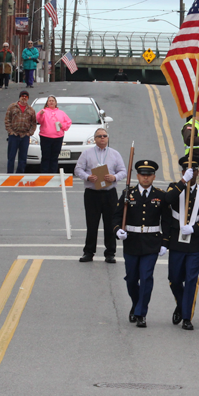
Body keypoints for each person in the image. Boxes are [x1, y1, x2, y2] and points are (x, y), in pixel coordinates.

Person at [113, 160, 169, 327]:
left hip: (151, 242)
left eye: (149, 175)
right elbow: (115, 217)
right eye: (143, 175)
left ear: (154, 177)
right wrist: (117, 230)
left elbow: (166, 221)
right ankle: (136, 303)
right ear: (137, 176)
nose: (146, 178)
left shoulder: (161, 195)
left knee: (146, 277)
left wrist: (165, 242)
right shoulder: (127, 194)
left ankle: (141, 312)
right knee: (131, 279)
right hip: (131, 242)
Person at [165, 156, 199, 330]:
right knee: (174, 279)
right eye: (186, 170)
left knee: (191, 279)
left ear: (198, 172)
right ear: (183, 172)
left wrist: (195, 229)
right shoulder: (174, 188)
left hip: (195, 242)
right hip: (176, 240)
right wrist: (182, 182)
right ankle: (181, 304)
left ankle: (187, 316)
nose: (190, 173)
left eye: (193, 171)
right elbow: (167, 200)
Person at [75, 128, 127, 263]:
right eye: (99, 136)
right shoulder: (87, 153)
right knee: (92, 224)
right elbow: (78, 169)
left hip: (109, 193)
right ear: (95, 139)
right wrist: (87, 177)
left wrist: (114, 177)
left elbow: (123, 171)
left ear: (108, 138)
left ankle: (110, 253)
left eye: (104, 136)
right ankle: (88, 252)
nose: (102, 138)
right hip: (92, 193)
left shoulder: (115, 154)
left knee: (110, 224)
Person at [36, 95, 72, 173]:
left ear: (56, 103)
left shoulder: (61, 113)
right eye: (50, 101)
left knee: (54, 157)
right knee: (45, 157)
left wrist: (62, 125)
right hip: (45, 137)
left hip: (58, 138)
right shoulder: (43, 111)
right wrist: (41, 114)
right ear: (47, 103)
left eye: (53, 101)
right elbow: (39, 120)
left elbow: (68, 122)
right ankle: (44, 174)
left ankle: (53, 173)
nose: (51, 102)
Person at [4, 90, 37, 173]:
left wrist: (29, 133)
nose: (24, 98)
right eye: (23, 96)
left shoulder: (31, 110)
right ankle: (10, 175)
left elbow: (33, 123)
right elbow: (7, 120)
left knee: (23, 158)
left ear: (28, 98)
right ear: (19, 97)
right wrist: (10, 131)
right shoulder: (12, 107)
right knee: (11, 157)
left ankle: (20, 174)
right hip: (14, 135)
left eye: (26, 97)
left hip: (25, 136)